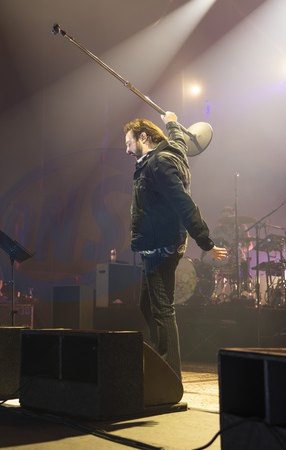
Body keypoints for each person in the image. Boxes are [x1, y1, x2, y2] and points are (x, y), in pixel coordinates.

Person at [123, 111, 227, 379]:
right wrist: (171, 122)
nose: (127, 150)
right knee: (147, 305)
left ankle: (168, 377)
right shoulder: (174, 152)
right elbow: (180, 142)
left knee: (162, 309)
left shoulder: (159, 164)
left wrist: (205, 242)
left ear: (143, 137)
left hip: (160, 245)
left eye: (129, 143)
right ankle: (161, 360)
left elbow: (184, 203)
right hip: (156, 243)